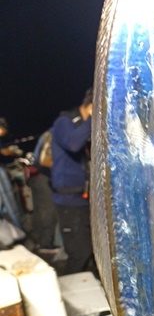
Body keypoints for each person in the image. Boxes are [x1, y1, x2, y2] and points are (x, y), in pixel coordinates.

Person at [50, 88, 96, 275]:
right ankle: (68, 286)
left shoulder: (87, 127)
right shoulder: (64, 122)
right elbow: (73, 143)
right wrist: (94, 118)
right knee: (79, 253)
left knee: (93, 251)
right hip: (69, 201)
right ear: (90, 105)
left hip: (86, 199)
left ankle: (90, 287)